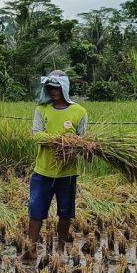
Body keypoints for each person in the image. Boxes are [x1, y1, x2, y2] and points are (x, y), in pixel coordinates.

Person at [24, 70, 87, 262]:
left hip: (67, 173)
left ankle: (60, 248)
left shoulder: (79, 111)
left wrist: (77, 144)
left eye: (57, 87)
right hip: (43, 171)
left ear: (65, 87)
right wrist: (60, 140)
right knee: (36, 211)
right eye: (50, 87)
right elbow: (37, 134)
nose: (53, 91)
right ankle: (31, 248)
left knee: (65, 212)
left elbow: (82, 139)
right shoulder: (41, 109)